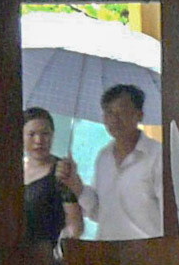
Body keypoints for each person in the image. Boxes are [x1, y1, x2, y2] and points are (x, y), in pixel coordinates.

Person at [64, 83, 162, 239]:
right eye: (109, 113)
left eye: (122, 112)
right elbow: (98, 211)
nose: (115, 120)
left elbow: (170, 213)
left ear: (139, 115)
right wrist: (77, 185)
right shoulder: (103, 157)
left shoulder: (157, 156)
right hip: (108, 254)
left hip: (148, 255)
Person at [22, 107, 83, 246]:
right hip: (14, 256)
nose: (39, 140)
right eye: (31, 134)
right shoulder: (12, 171)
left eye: (45, 133)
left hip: (47, 258)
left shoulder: (62, 173)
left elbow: (76, 227)